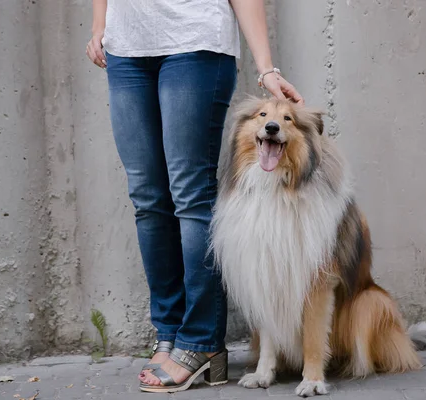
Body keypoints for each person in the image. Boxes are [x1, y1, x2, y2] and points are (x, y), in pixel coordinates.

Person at [86, 0, 303, 393]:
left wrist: (266, 66)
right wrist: (100, 24)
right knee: (148, 199)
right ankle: (169, 332)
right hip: (126, 50)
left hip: (194, 42)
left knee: (191, 195)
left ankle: (201, 341)